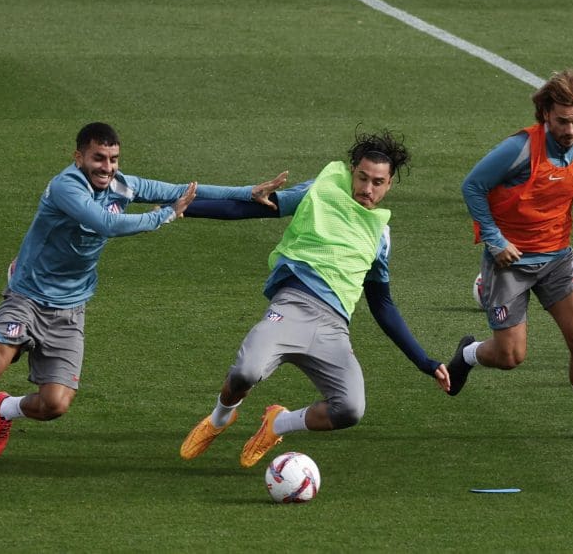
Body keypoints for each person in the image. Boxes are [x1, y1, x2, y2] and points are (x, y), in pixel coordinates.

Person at [0, 122, 287, 478]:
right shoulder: (66, 187)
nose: (107, 167)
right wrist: (164, 217)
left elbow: (184, 190)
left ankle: (6, 408)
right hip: (27, 297)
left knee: (55, 404)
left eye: (113, 159)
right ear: (79, 157)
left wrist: (247, 192)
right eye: (98, 158)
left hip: (70, 309)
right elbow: (106, 224)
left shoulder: (123, 185)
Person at [178, 129, 451, 468]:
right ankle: (219, 418)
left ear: (389, 185)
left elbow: (382, 304)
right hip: (292, 306)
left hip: (333, 330)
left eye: (377, 182)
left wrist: (424, 361)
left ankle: (277, 424)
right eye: (362, 177)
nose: (367, 189)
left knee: (350, 409)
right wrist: (186, 209)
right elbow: (255, 208)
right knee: (245, 373)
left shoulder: (380, 234)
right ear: (352, 171)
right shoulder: (320, 190)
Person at [456, 69, 573, 442]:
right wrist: (495, 240)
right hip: (509, 262)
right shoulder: (518, 150)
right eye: (562, 121)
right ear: (546, 114)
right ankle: (468, 354)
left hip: (557, 260)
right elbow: (473, 186)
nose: (570, 129)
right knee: (510, 357)